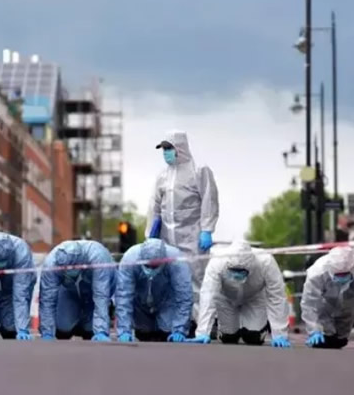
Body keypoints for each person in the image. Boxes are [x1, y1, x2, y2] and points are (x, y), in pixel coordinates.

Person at [146, 130, 219, 327]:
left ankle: (201, 324)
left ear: (180, 148)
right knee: (171, 280)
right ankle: (177, 322)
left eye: (169, 148)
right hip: (168, 239)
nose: (166, 153)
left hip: (192, 238)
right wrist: (150, 233)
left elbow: (209, 200)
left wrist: (207, 229)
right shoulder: (162, 176)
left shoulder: (199, 170)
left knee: (196, 280)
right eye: (163, 149)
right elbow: (154, 206)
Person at [187, 239, 291, 348]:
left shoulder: (266, 262)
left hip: (254, 297)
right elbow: (208, 295)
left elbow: (277, 297)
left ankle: (260, 329)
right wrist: (203, 332)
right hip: (226, 298)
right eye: (233, 270)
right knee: (229, 338)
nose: (237, 276)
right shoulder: (217, 262)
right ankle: (222, 329)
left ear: (251, 265)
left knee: (253, 338)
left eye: (241, 271)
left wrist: (280, 334)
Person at [300, 246, 354, 351]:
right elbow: (309, 303)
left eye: (345, 274)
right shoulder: (317, 272)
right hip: (325, 301)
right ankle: (324, 334)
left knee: (341, 340)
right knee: (326, 337)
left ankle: (340, 336)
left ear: (353, 268)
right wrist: (313, 330)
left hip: (350, 302)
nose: (342, 278)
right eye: (338, 275)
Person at [115, 238, 193, 342]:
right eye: (148, 266)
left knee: (167, 335)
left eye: (155, 266)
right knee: (144, 334)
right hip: (140, 304)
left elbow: (184, 296)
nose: (151, 269)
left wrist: (180, 329)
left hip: (167, 302)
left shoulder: (176, 260)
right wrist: (124, 330)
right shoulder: (130, 259)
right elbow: (123, 296)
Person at [39, 240, 116, 341]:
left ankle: (92, 325)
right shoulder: (51, 264)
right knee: (62, 329)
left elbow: (101, 296)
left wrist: (101, 331)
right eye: (65, 268)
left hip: (93, 292)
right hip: (70, 291)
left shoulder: (98, 257)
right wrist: (47, 332)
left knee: (90, 331)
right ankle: (75, 322)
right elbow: (47, 299)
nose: (69, 269)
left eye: (73, 266)